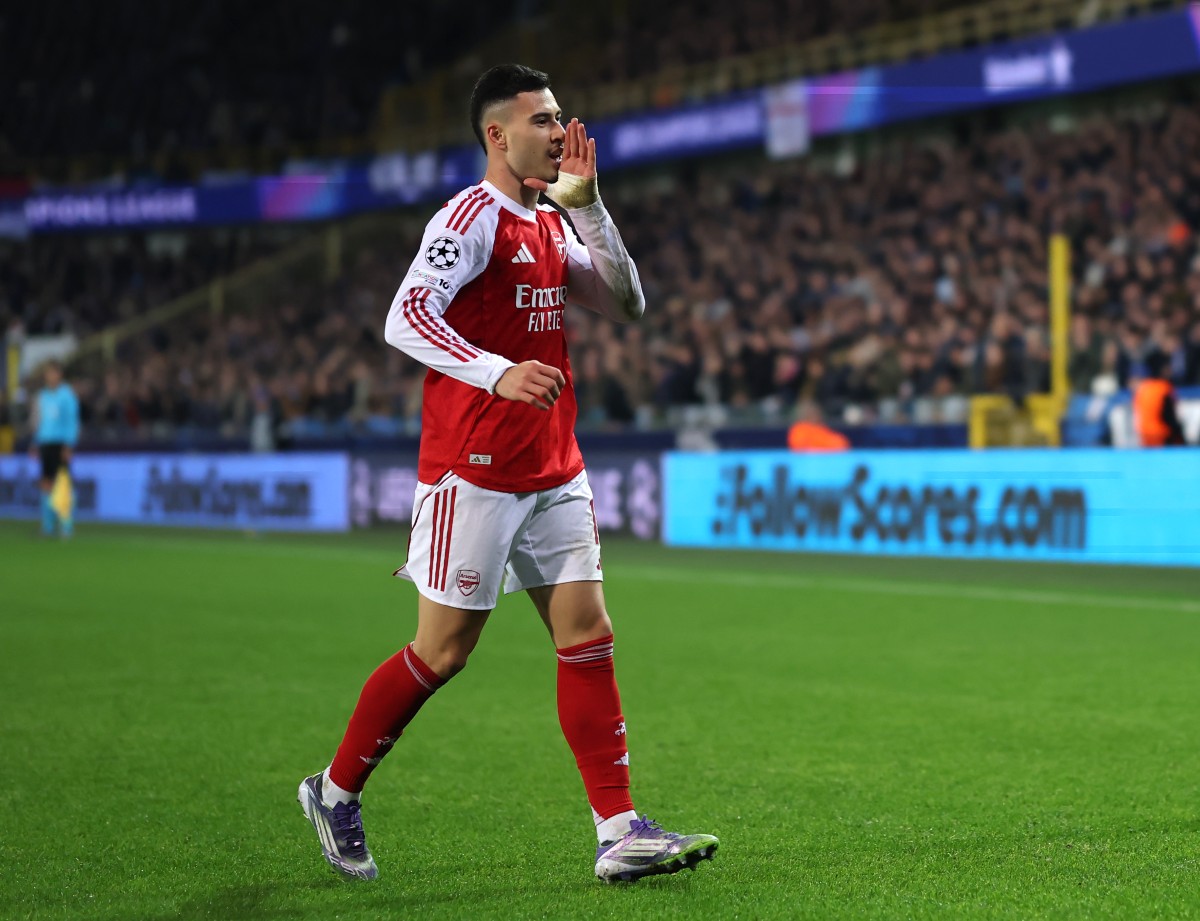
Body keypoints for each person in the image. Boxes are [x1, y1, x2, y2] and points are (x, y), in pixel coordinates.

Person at [297, 64, 718, 885]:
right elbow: (405, 314)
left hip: (554, 464)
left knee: (588, 636)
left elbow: (626, 302)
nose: (561, 131)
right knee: (443, 651)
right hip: (475, 468)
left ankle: (619, 828)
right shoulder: (470, 217)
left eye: (561, 117)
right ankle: (334, 789)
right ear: (498, 134)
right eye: (544, 120)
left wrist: (591, 206)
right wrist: (495, 370)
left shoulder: (555, 223)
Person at [29, 360, 80, 536]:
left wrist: (69, 444)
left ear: (60, 374)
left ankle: (66, 523)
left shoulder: (67, 395)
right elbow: (38, 422)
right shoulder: (41, 396)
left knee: (62, 483)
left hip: (60, 443)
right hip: (45, 442)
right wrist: (35, 442)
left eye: (53, 372)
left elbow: (71, 421)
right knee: (45, 483)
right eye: (47, 373)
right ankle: (48, 524)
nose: (50, 376)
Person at [1132, 352, 1186, 447]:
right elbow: (1169, 418)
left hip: (1144, 437)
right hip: (1162, 436)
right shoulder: (1164, 388)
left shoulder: (1142, 388)